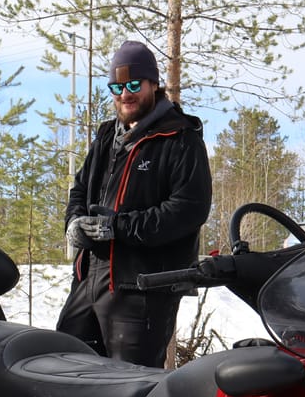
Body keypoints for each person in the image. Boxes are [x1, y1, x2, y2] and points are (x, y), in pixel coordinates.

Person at [55, 40, 212, 367]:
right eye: (116, 86)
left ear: (154, 85)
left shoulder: (181, 138)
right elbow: (80, 189)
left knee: (130, 387)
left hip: (142, 288)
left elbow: (190, 208)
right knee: (64, 368)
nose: (124, 94)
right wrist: (74, 223)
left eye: (132, 85)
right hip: (89, 280)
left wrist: (118, 228)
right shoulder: (106, 137)